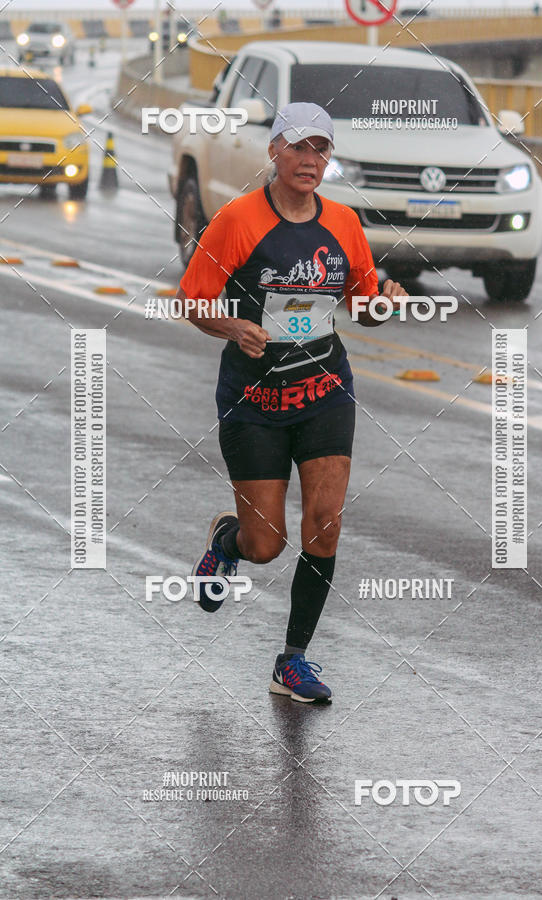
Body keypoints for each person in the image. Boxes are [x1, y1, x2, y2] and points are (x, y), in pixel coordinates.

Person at [176, 102, 406, 703]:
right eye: (299, 148)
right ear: (274, 151)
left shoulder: (345, 223)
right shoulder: (236, 221)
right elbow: (192, 300)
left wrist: (384, 300)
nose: (310, 160)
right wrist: (232, 327)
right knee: (267, 544)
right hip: (253, 399)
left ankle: (293, 662)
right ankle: (227, 543)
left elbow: (362, 304)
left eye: (321, 149)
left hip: (326, 390)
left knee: (324, 529)